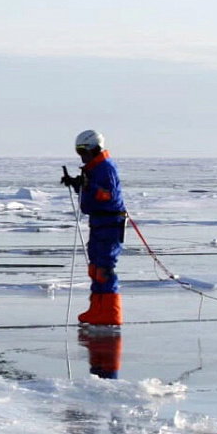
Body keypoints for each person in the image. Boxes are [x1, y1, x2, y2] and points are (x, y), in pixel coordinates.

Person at [60, 129, 126, 326]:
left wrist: (88, 185)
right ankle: (97, 308)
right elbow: (91, 192)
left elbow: (108, 195)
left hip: (110, 223)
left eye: (84, 150)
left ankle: (110, 313)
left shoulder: (106, 168)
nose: (82, 155)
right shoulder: (93, 168)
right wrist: (77, 184)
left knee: (104, 269)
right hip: (98, 223)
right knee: (95, 268)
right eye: (78, 151)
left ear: (95, 148)